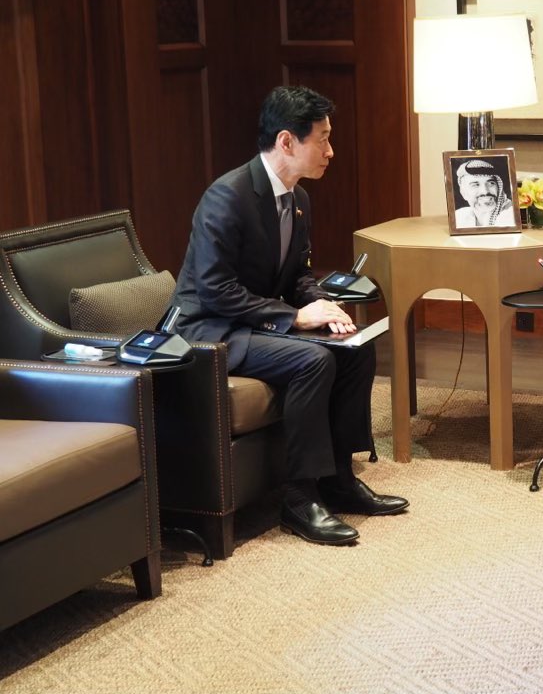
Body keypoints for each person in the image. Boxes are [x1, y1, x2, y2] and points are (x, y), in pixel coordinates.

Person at [169, 85, 408, 546]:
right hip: (211, 328)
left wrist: (323, 304)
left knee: (354, 350)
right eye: (322, 139)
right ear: (286, 142)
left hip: (255, 320)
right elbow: (216, 291)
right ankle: (299, 500)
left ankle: (338, 479)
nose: (331, 151)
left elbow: (296, 274)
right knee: (313, 361)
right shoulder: (227, 197)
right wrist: (295, 319)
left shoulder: (298, 198)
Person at [453, 158, 517, 228]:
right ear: (463, 193)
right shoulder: (459, 216)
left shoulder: (511, 215)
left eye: (491, 183)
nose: (485, 191)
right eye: (475, 185)